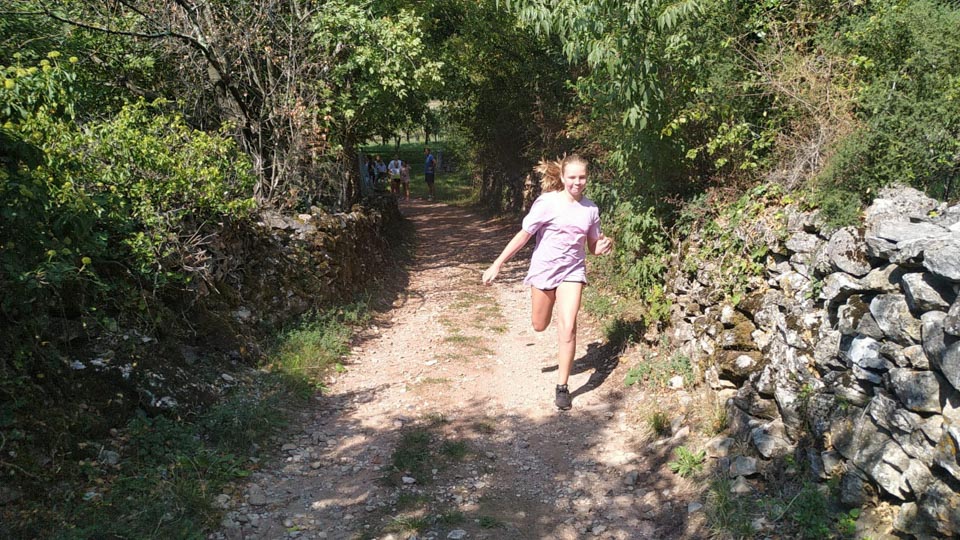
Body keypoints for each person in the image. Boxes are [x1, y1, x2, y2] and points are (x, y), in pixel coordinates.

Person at [481, 155, 614, 410]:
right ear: (562, 177)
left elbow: (593, 246)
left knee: (568, 326)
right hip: (544, 270)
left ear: (587, 178)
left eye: (582, 177)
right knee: (539, 324)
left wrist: (602, 246)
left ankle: (562, 387)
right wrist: (497, 264)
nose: (577, 182)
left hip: (572, 272)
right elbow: (524, 235)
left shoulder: (590, 210)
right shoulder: (547, 203)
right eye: (572, 177)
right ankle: (548, 321)